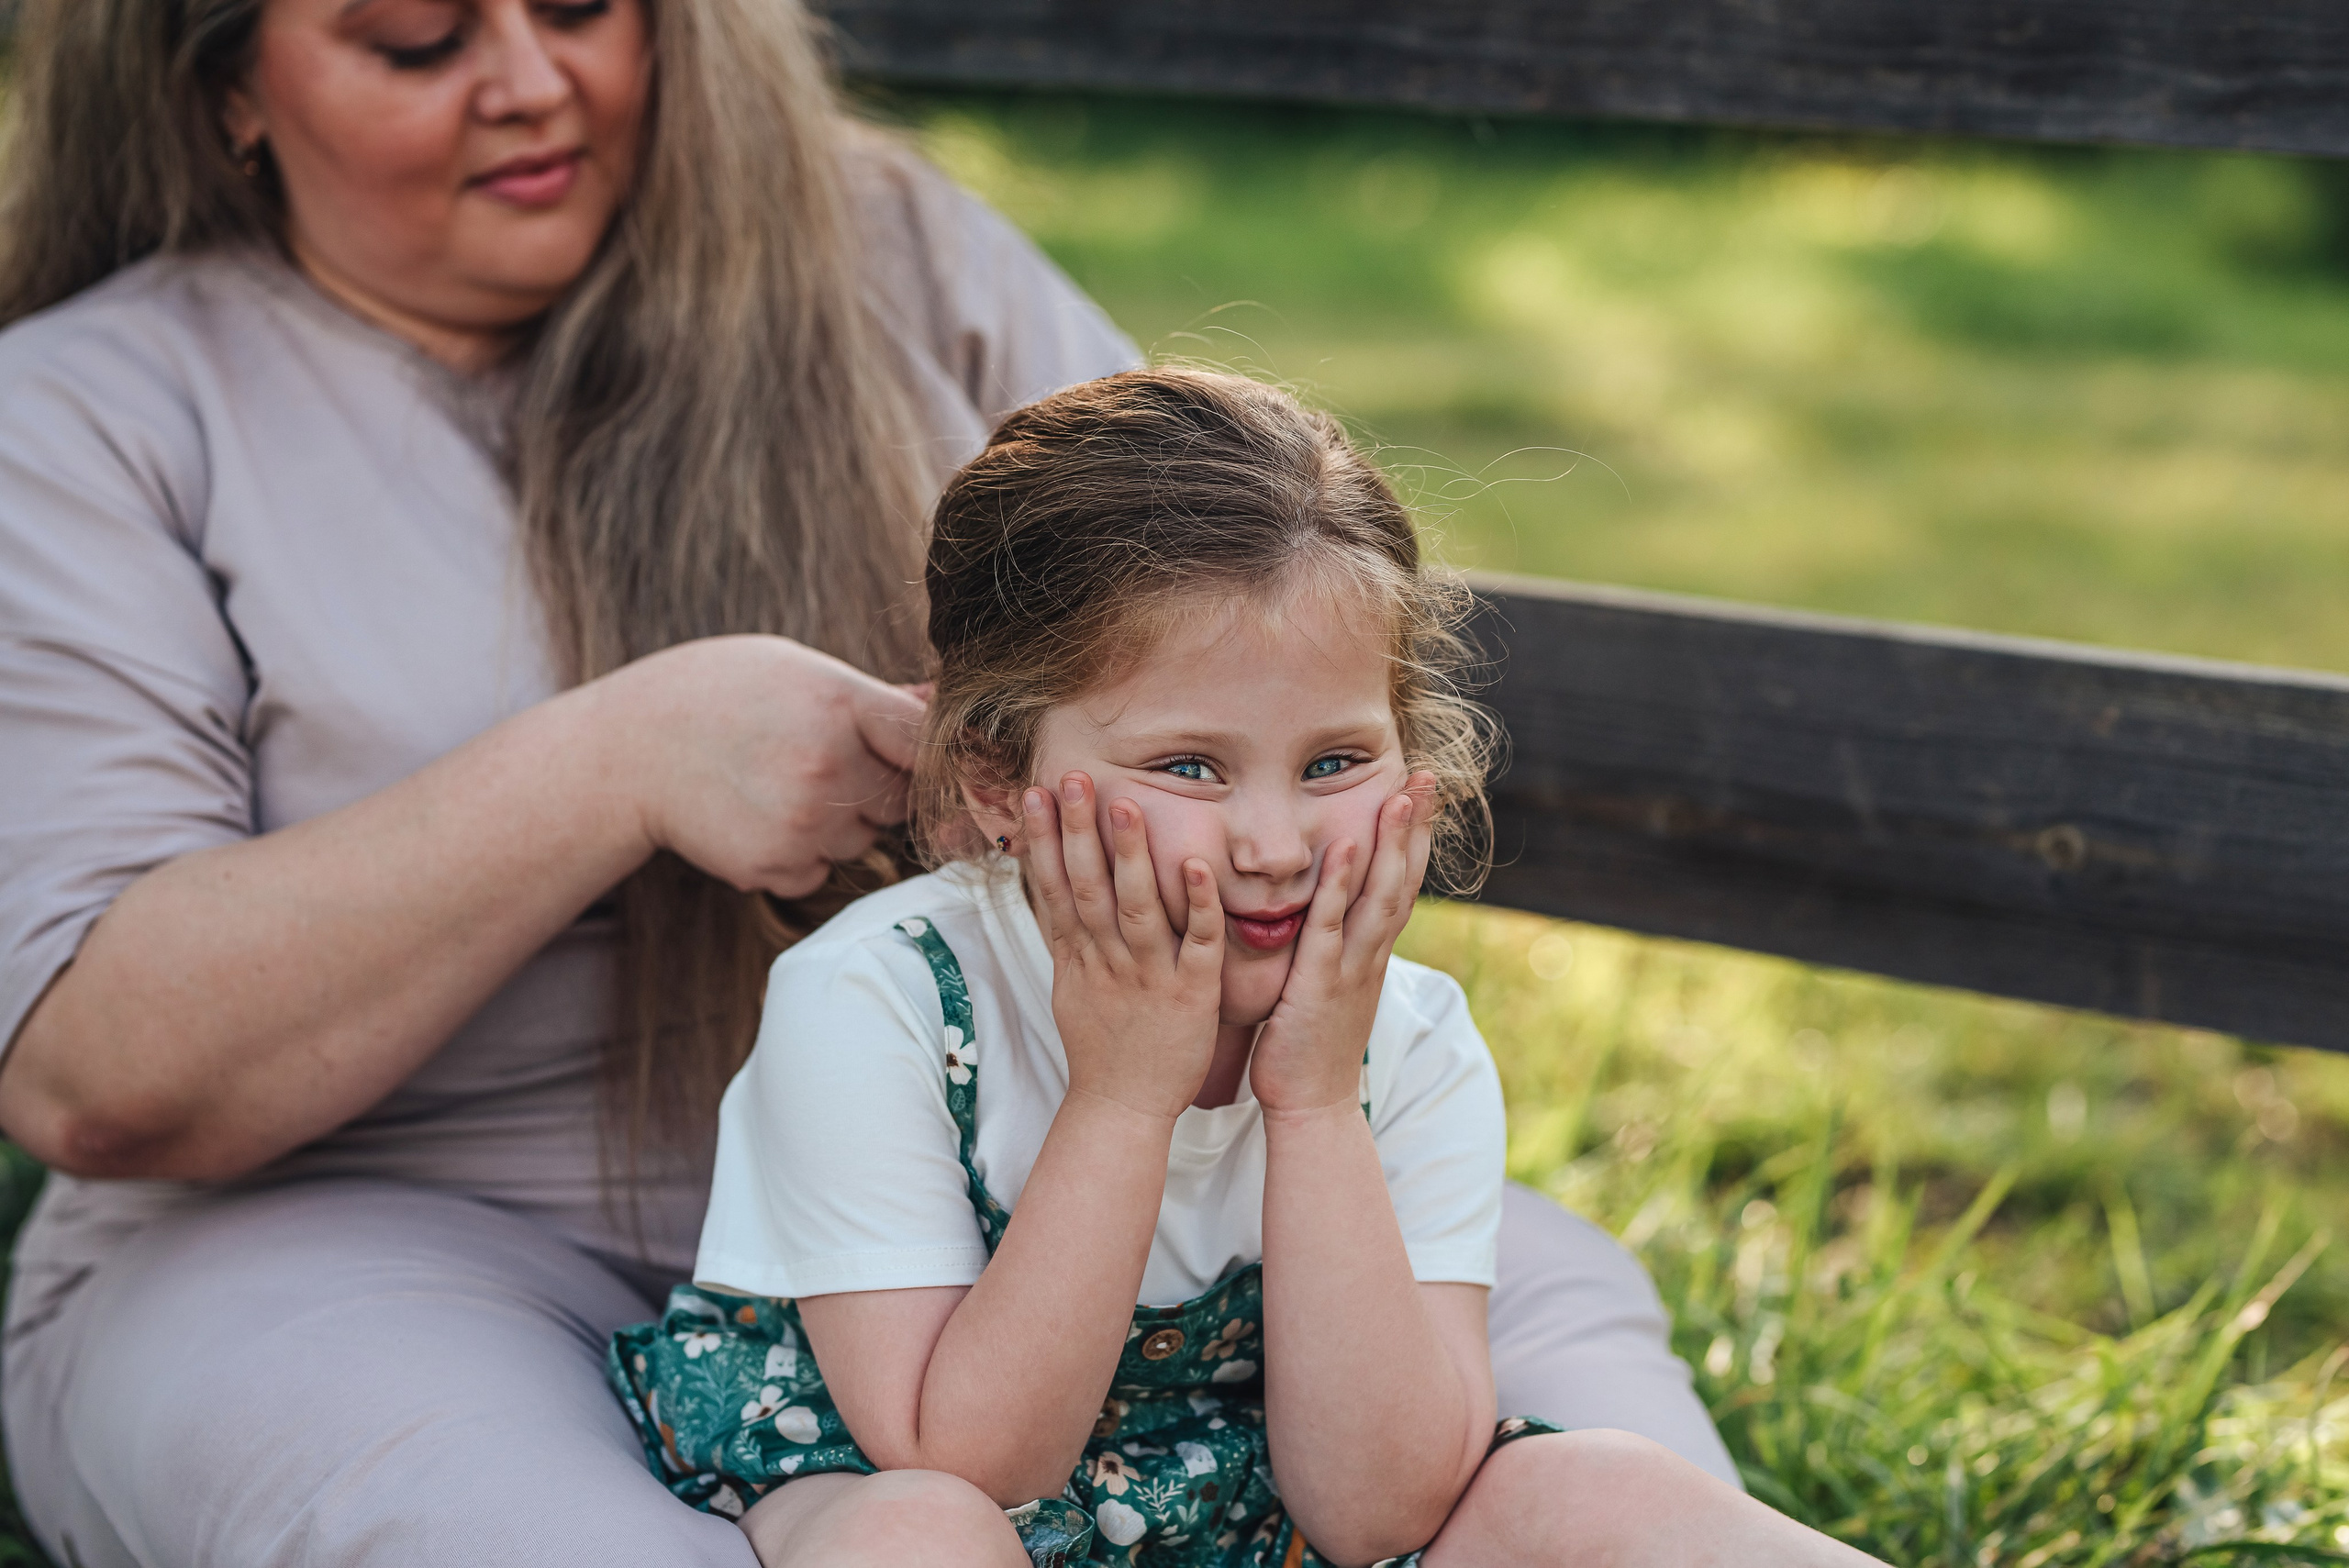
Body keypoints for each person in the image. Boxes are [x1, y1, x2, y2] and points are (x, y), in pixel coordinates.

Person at [0, 3, 1731, 1565]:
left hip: (1018, 1154)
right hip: (386, 1221)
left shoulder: (886, 249)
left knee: (1557, 1376)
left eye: (586, 8)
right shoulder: (88, 419)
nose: (532, 81)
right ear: (230, 83)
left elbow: (1225, 596)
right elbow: (97, 1072)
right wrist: (619, 761)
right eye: (417, 40)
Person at [609, 369, 1875, 1568]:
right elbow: (969, 1458)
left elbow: (1382, 1506)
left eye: (1334, 762)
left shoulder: (1407, 1037)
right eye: (1189, 767)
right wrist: (1124, 1092)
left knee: (1598, 1481)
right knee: (916, 1538)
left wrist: (1317, 1099)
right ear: (999, 778)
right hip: (899, 1464)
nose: (1274, 848)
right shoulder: (878, 994)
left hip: (1238, 1488)